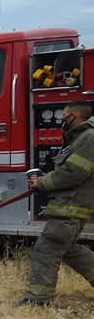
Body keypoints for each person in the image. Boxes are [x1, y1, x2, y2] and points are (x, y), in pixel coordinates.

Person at [15, 101, 94, 307]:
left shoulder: (89, 138)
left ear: (74, 117)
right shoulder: (83, 139)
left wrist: (42, 182)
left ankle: (38, 299)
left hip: (70, 206)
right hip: (73, 205)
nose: (62, 120)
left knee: (45, 251)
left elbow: (72, 174)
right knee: (69, 250)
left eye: (64, 116)